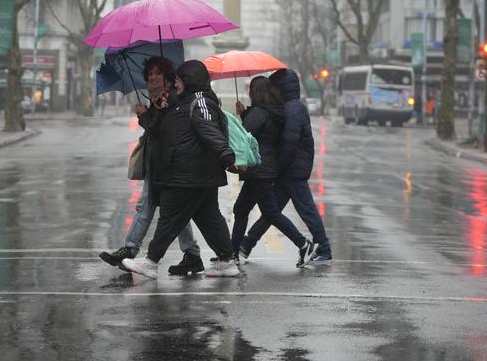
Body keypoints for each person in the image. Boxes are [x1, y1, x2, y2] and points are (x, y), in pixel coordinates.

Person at [122, 60, 239, 279]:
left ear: (189, 79)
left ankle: (151, 261)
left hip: (189, 173)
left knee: (169, 218)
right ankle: (226, 260)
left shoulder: (201, 101)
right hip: (193, 173)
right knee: (209, 217)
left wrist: (226, 156)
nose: (174, 84)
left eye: (177, 80)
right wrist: (156, 110)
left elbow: (208, 129)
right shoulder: (184, 100)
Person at [100, 57, 204, 276]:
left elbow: (163, 131)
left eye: (157, 73)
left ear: (167, 77)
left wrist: (144, 116)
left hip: (166, 165)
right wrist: (146, 114)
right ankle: (192, 254)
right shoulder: (159, 99)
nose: (152, 78)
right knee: (171, 211)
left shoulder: (171, 100)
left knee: (149, 206)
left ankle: (130, 249)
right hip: (158, 163)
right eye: (149, 74)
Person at [240, 69, 332, 264]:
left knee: (304, 209)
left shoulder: (292, 109)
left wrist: (278, 168)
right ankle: (247, 244)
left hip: (292, 170)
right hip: (291, 168)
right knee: (271, 211)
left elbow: (288, 143)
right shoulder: (292, 107)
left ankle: (323, 248)